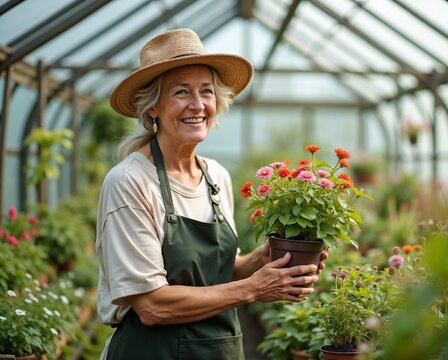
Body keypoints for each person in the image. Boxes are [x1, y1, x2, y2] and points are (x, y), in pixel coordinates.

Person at [96, 28, 327, 360]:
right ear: (153, 108)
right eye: (181, 92)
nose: (197, 104)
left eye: (206, 91)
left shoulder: (215, 176)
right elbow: (151, 305)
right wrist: (254, 288)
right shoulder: (130, 182)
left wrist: (266, 261)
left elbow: (212, 271)